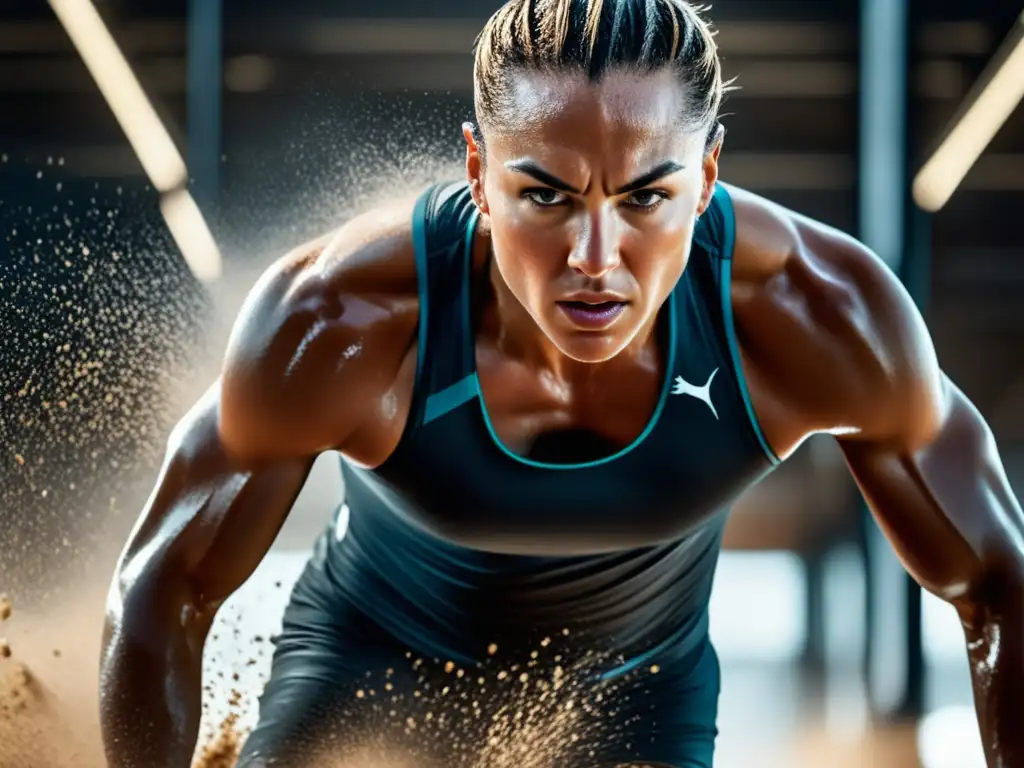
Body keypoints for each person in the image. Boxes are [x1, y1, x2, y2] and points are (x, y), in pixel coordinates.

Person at [99, 0, 1024, 766]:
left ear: (705, 176)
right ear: (477, 172)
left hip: (638, 702)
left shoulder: (818, 316)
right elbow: (164, 588)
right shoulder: (339, 320)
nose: (595, 259)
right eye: (546, 195)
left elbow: (997, 585)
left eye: (644, 199)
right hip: (366, 666)